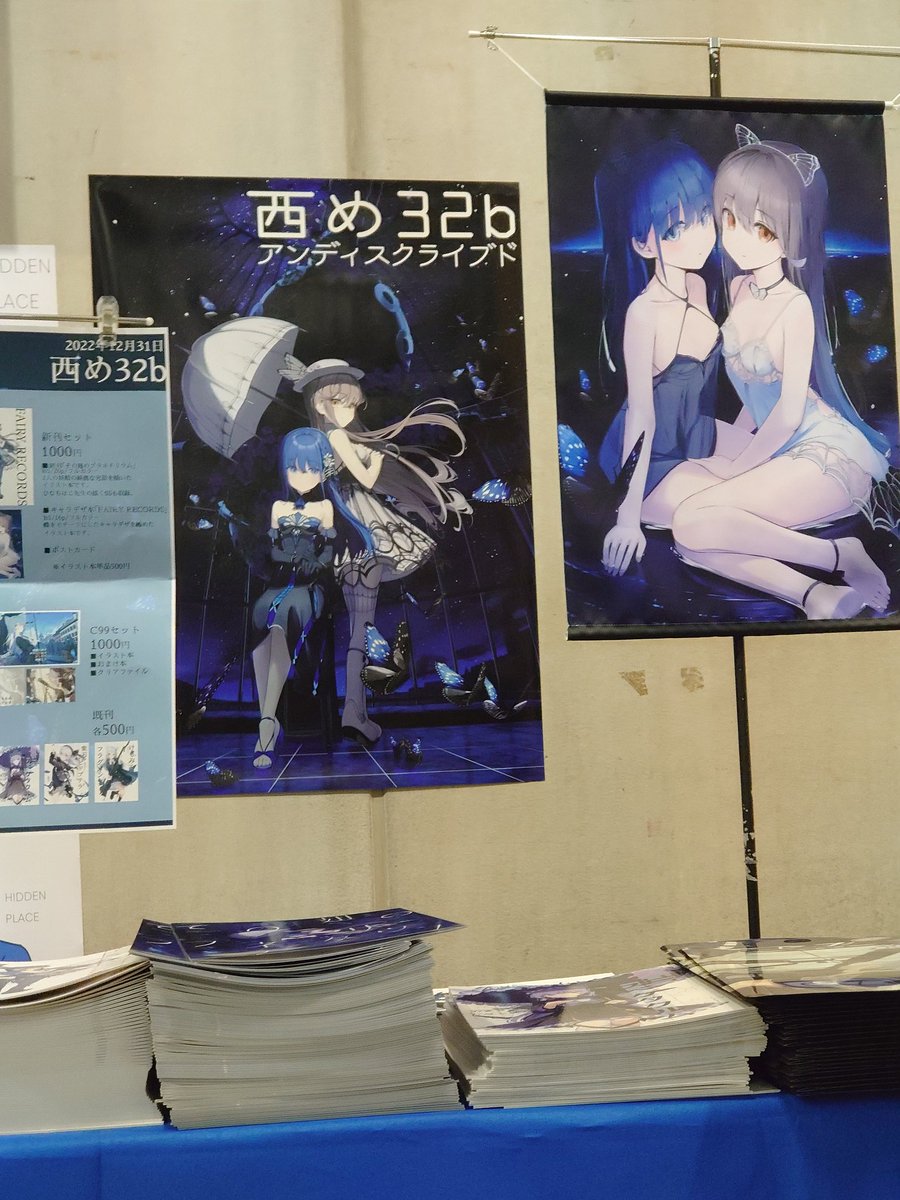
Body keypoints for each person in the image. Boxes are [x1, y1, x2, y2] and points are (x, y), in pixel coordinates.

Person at [669, 125, 892, 619]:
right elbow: (755, 394)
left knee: (691, 522)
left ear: (794, 232)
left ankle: (838, 557)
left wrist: (740, 467)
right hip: (776, 444)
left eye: (763, 228)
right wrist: (739, 454)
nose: (740, 239)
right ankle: (816, 594)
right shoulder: (740, 290)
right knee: (683, 523)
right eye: (730, 219)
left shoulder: (795, 307)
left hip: (821, 452)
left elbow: (789, 413)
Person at [281, 357, 470, 745]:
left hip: (349, 537)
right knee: (360, 628)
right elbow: (366, 479)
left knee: (360, 628)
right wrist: (378, 458)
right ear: (319, 403)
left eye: (353, 404)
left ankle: (355, 712)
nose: (349, 411)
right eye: (340, 402)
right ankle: (355, 712)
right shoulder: (336, 438)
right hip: (363, 533)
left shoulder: (320, 442)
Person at [596, 139, 746, 577]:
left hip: (699, 435)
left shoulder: (699, 286)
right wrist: (627, 517)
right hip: (651, 459)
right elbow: (641, 415)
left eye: (703, 218)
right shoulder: (643, 314)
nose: (699, 236)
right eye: (675, 230)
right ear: (643, 245)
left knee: (786, 472)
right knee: (727, 513)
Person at [250, 426, 370, 768]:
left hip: (311, 587)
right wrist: (288, 558)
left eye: (310, 469)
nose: (301, 476)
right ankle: (268, 717)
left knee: (283, 617)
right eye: (294, 468)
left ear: (322, 470)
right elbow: (273, 550)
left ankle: (266, 725)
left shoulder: (325, 508)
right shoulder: (278, 506)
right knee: (262, 618)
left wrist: (312, 563)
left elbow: (327, 553)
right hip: (280, 583)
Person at [0, 514, 21, 579]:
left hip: (10, 556)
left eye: (2, 526)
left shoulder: (6, 536)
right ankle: (10, 573)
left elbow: (5, 550)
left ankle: (11, 572)